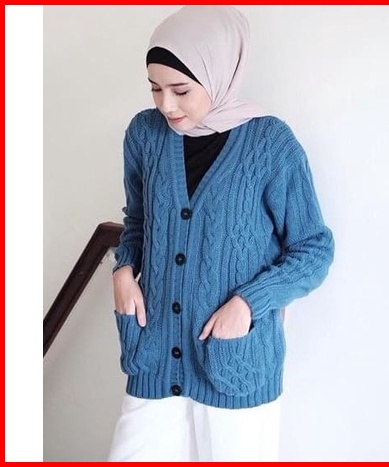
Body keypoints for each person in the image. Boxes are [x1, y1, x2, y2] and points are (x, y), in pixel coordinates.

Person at [108, 5, 334, 462]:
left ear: (219, 74)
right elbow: (138, 222)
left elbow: (314, 248)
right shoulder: (145, 135)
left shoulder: (270, 144)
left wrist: (249, 303)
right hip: (155, 356)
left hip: (236, 362)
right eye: (155, 88)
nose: (166, 105)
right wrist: (124, 269)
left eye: (181, 90)